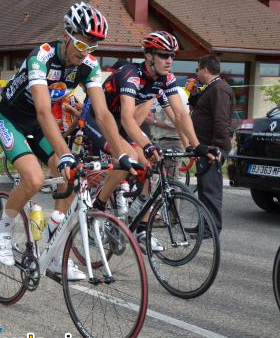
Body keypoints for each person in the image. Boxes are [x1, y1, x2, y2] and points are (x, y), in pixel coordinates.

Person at [0, 2, 137, 280]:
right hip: (12, 120)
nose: (86, 54)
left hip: (39, 125)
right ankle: (3, 228)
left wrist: (120, 154)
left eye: (92, 48)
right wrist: (65, 153)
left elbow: (103, 114)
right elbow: (44, 110)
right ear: (66, 35)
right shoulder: (41, 58)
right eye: (82, 45)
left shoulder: (89, 65)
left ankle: (56, 247)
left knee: (71, 177)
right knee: (34, 179)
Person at [82, 31, 215, 251]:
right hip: (98, 118)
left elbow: (180, 115)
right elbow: (126, 117)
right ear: (149, 56)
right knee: (133, 157)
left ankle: (141, 228)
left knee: (150, 168)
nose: (169, 60)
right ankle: (99, 206)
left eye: (172, 55)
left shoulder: (166, 79)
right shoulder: (131, 74)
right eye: (164, 55)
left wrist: (197, 146)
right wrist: (147, 145)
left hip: (121, 124)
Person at [191, 55, 234, 234]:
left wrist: (216, 148)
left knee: (210, 189)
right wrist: (194, 95)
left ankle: (211, 227)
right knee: (204, 188)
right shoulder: (210, 88)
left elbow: (221, 120)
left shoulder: (219, 89)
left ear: (205, 70)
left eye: (197, 69)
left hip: (212, 147)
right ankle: (204, 224)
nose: (197, 73)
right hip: (204, 146)